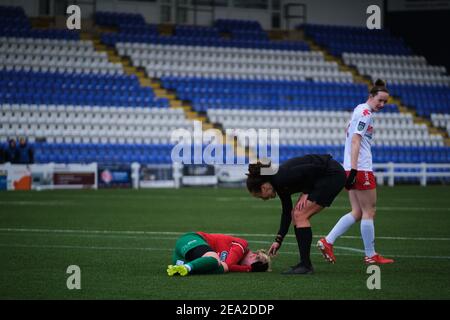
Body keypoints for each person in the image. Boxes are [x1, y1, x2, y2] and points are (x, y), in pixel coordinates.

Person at [317, 79, 394, 265]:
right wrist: (354, 169)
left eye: (385, 102)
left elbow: (349, 132)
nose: (382, 105)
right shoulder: (365, 113)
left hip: (352, 167)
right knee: (369, 211)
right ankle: (371, 255)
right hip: (360, 168)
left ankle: (327, 241)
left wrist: (350, 169)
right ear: (371, 97)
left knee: (358, 211)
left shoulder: (358, 109)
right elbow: (355, 140)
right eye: (380, 101)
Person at [246, 154, 346, 275]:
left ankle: (305, 265)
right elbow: (287, 212)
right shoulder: (277, 183)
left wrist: (306, 191)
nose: (264, 199)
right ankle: (304, 264)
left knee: (300, 215)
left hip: (331, 174)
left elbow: (313, 169)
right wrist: (279, 240)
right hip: (324, 175)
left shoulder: (281, 177)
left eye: (260, 197)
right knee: (296, 214)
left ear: (263, 188)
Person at [167, 231, 271, 276]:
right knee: (217, 262)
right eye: (253, 265)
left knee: (217, 267)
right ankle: (187, 268)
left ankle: (184, 268)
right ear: (254, 256)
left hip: (181, 258)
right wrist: (249, 269)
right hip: (191, 240)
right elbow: (228, 266)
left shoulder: (238, 259)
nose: (245, 266)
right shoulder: (241, 245)